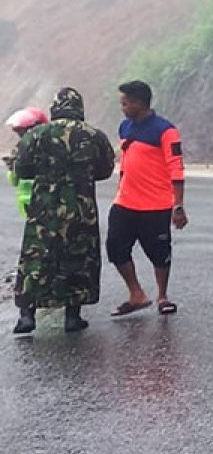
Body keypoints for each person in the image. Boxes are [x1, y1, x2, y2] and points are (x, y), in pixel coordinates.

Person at [11, 88, 115, 334]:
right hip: (81, 209)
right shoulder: (94, 135)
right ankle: (72, 316)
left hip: (43, 210)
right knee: (78, 258)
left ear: (55, 108)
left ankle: (27, 315)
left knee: (36, 259)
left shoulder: (36, 134)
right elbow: (105, 169)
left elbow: (21, 170)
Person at [106, 80, 187, 317]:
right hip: (124, 202)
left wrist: (178, 205)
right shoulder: (124, 128)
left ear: (139, 103)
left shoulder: (166, 130)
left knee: (159, 252)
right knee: (115, 248)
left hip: (156, 204)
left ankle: (162, 296)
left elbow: (176, 168)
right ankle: (136, 294)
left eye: (125, 103)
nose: (122, 107)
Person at [5, 108, 49, 218]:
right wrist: (12, 167)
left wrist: (13, 167)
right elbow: (14, 181)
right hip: (31, 204)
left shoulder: (44, 148)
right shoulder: (21, 149)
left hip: (40, 203)